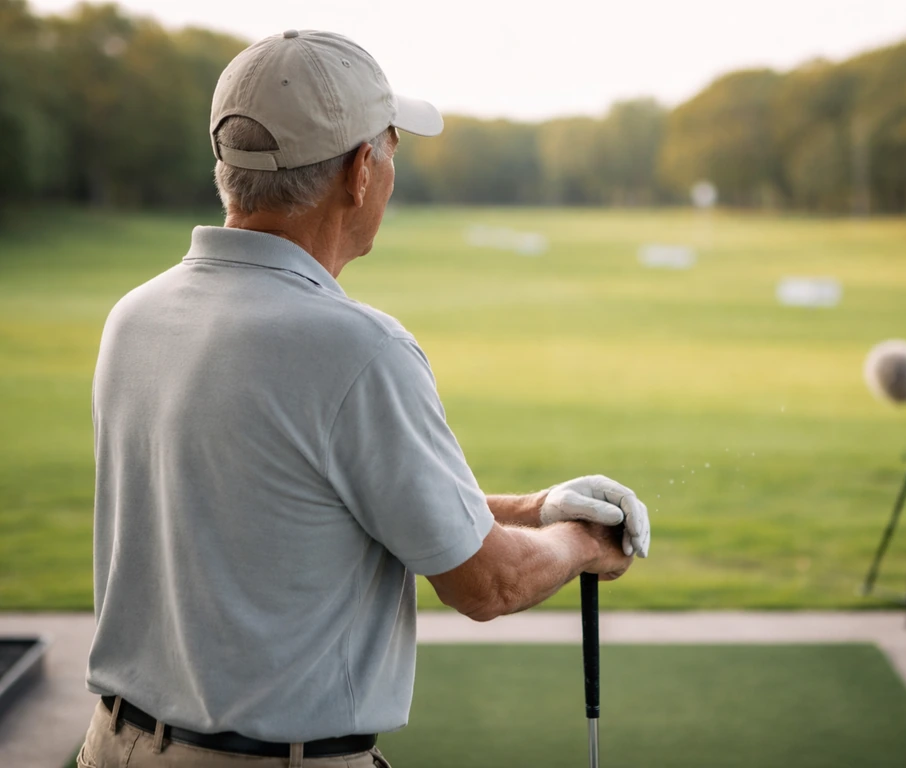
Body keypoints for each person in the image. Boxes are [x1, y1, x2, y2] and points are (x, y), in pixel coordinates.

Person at [78, 29, 650, 768]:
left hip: (111, 745)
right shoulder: (358, 349)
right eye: (390, 149)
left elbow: (313, 499)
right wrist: (583, 545)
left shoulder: (137, 316)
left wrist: (537, 507)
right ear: (358, 173)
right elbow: (488, 582)